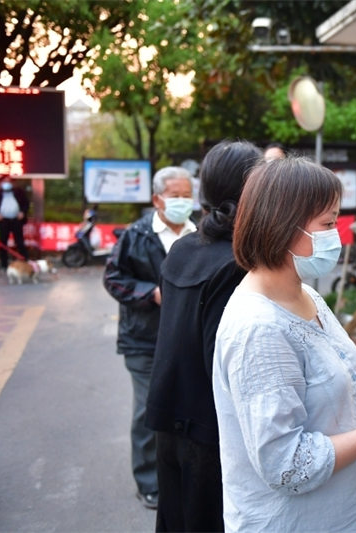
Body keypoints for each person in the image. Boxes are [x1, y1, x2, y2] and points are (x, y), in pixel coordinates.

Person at [213, 157, 356, 533]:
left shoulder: (306, 293)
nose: (338, 236)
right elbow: (286, 464)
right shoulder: (258, 331)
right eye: (328, 224)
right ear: (281, 226)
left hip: (345, 511)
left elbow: (306, 396)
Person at [145, 140, 262, 531]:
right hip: (210, 430)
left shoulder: (182, 248)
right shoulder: (239, 263)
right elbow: (230, 363)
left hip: (169, 414)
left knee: (174, 520)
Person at [103, 166, 196, 510]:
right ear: (157, 199)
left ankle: (177, 474)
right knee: (148, 409)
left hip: (185, 339)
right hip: (144, 340)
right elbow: (113, 278)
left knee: (185, 408)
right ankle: (148, 481)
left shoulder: (196, 232)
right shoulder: (136, 235)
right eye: (176, 196)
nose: (183, 201)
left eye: (188, 195)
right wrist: (150, 294)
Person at [0, 177, 30, 268]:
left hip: (16, 220)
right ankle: (4, 265)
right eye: (5, 181)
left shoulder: (19, 193)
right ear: (1, 183)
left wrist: (22, 212)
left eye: (9, 181)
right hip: (3, 221)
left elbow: (26, 204)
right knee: (3, 243)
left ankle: (25, 261)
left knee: (20, 242)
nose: (7, 183)